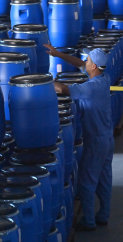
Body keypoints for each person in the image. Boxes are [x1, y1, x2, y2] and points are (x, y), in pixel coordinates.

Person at [45, 44, 115, 231]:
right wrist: (58, 54)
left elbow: (63, 89)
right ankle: (104, 215)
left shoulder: (90, 87)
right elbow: (80, 64)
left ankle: (89, 221)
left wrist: (41, 81)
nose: (86, 61)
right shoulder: (103, 77)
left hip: (96, 140)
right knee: (104, 177)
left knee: (87, 180)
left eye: (89, 59)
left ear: (94, 66)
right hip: (107, 138)